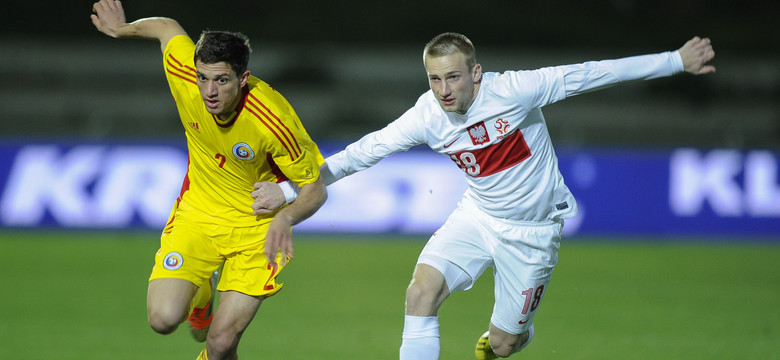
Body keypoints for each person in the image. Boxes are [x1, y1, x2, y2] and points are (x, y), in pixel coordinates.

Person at [251, 33, 716, 359]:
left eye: (453, 78)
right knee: (420, 293)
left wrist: (675, 60)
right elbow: (362, 152)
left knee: (502, 344)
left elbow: (590, 74)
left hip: (531, 233)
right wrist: (290, 188)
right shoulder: (427, 115)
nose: (444, 90)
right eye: (434, 80)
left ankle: (511, 336)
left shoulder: (515, 90)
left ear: (476, 72)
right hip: (476, 216)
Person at [90, 1, 328, 359]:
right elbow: (167, 27)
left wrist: (285, 212)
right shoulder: (186, 74)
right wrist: (123, 29)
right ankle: (201, 298)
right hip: (199, 217)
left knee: (220, 344)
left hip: (256, 231)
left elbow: (316, 189)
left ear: (243, 78)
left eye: (221, 80)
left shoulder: (273, 120)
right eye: (203, 78)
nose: (209, 91)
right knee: (163, 319)